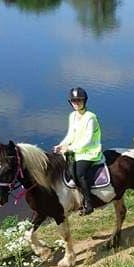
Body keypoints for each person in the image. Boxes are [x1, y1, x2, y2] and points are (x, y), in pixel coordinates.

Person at [54, 87, 103, 215]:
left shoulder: (90, 117)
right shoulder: (72, 116)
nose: (76, 103)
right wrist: (61, 145)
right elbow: (70, 134)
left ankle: (89, 203)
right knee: (67, 171)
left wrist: (70, 148)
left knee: (79, 173)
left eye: (79, 101)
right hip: (76, 151)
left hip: (89, 152)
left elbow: (88, 139)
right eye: (74, 101)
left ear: (84, 101)